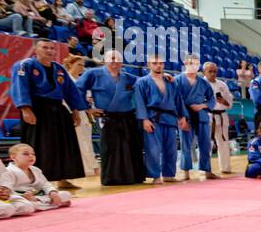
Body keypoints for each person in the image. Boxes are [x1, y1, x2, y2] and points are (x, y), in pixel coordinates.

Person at [10, 38, 90, 189]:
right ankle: (36, 181)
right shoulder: (25, 65)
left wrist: (75, 110)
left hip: (58, 109)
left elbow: (70, 91)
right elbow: (19, 87)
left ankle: (62, 178)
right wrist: (25, 108)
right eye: (45, 47)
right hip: (36, 109)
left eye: (52, 48)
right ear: (36, 50)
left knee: (63, 144)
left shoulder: (59, 68)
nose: (49, 51)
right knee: (39, 145)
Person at [76, 50, 145, 185]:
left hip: (127, 117)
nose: (115, 62)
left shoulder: (128, 78)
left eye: (118, 59)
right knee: (110, 148)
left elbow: (146, 82)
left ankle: (133, 177)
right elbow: (78, 89)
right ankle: (112, 178)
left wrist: (164, 75)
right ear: (105, 61)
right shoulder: (93, 74)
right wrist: (88, 108)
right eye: (112, 59)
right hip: (107, 117)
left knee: (130, 147)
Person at [133, 53, 189, 184]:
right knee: (153, 149)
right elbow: (139, 102)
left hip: (169, 118)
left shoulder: (170, 82)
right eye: (155, 63)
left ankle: (169, 174)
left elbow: (178, 100)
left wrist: (182, 116)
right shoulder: (142, 82)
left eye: (161, 63)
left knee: (171, 149)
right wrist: (144, 119)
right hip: (153, 119)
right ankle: (155, 175)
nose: (158, 65)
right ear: (148, 65)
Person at [175, 55, 215, 181]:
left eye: (197, 64)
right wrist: (180, 116)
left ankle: (207, 171)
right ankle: (186, 172)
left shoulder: (203, 82)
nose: (195, 66)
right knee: (186, 145)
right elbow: (174, 99)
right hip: (185, 115)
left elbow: (211, 99)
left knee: (205, 144)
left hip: (201, 115)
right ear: (186, 63)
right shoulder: (178, 80)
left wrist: (202, 105)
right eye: (192, 63)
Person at [0, 143, 71, 210]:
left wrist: (52, 192)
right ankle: (55, 204)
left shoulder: (36, 170)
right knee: (24, 205)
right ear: (13, 157)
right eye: (26, 154)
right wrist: (23, 196)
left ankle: (49, 203)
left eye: (33, 154)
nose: (31, 156)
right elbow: (7, 191)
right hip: (22, 198)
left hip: (37, 196)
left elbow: (45, 184)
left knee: (65, 194)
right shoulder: (8, 171)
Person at [62, 55, 99, 179]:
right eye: (79, 64)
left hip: (85, 114)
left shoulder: (81, 80)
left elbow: (88, 98)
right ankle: (90, 168)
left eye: (83, 65)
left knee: (86, 140)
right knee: (81, 141)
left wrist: (89, 103)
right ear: (70, 65)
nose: (82, 67)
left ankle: (89, 167)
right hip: (74, 112)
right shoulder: (66, 79)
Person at [203, 62, 236, 175]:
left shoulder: (222, 84)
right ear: (204, 72)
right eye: (210, 71)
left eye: (214, 71)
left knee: (223, 142)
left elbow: (230, 101)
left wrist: (225, 101)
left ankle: (225, 167)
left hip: (222, 115)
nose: (213, 73)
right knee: (207, 143)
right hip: (208, 115)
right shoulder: (201, 84)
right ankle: (205, 169)